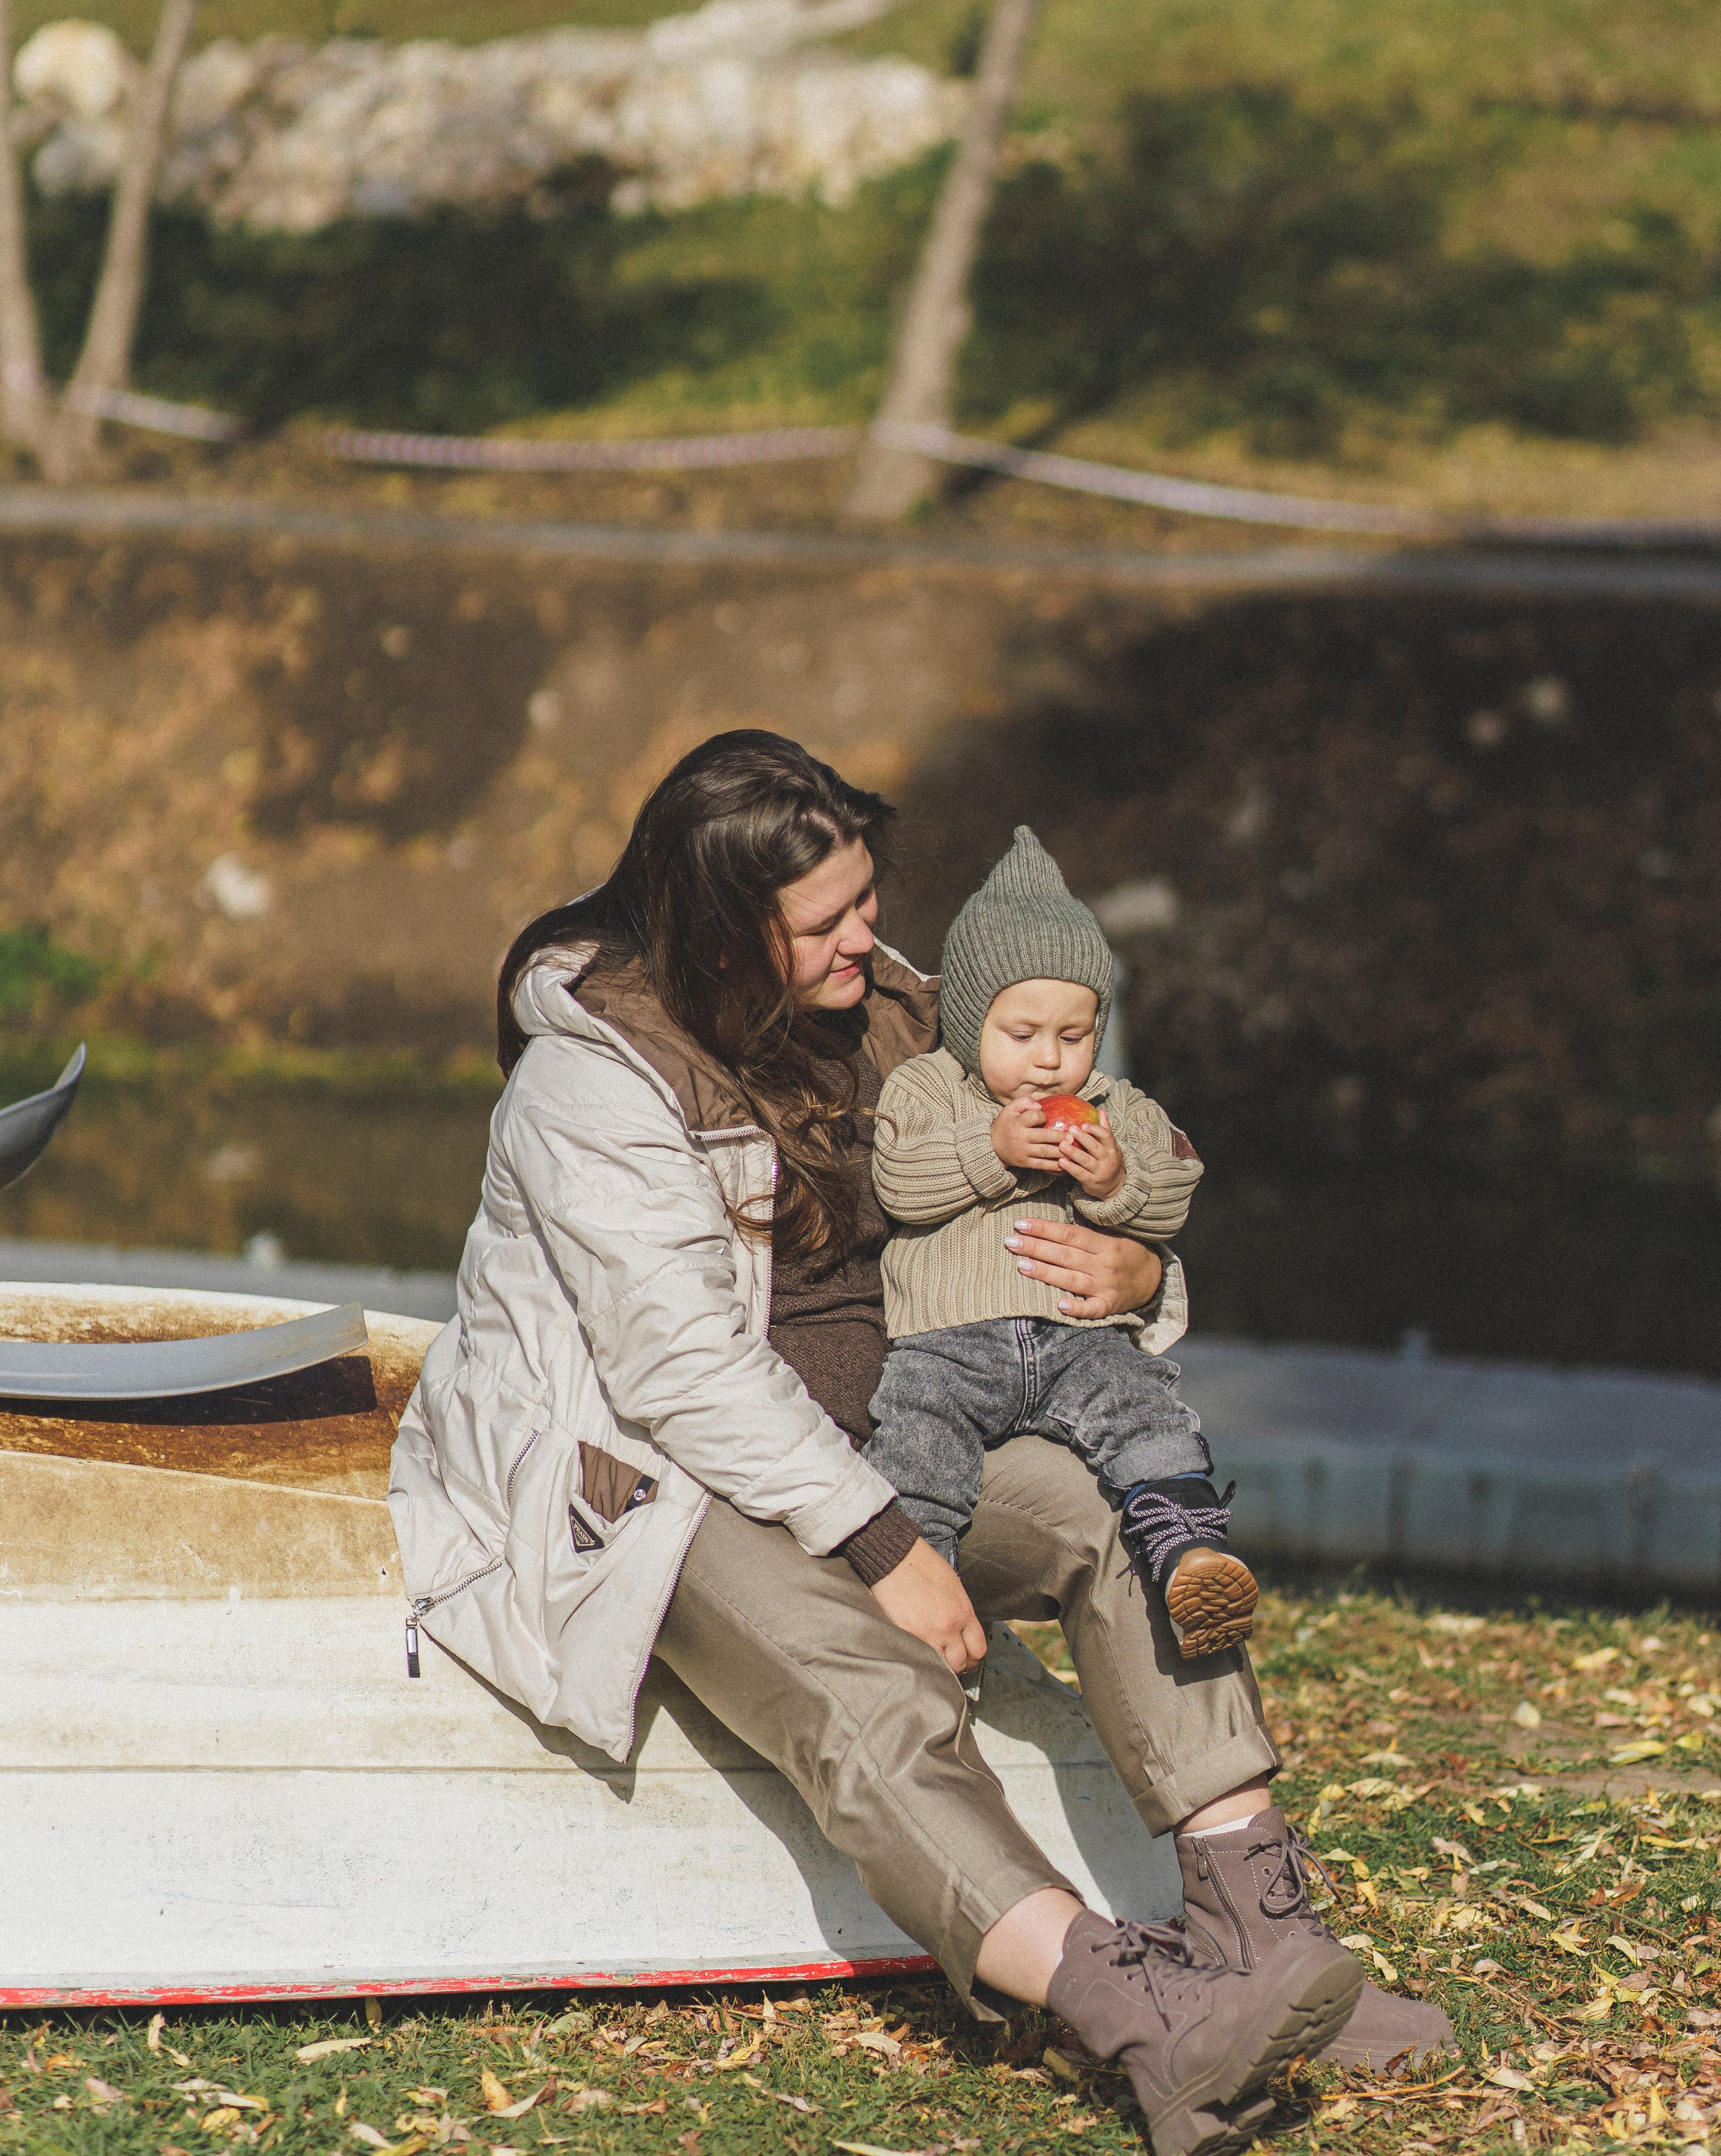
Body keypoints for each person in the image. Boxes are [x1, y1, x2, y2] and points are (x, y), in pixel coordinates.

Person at [389, 731, 1452, 2129]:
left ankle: (1267, 1931)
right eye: (823, 921)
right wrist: (886, 1541)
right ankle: (1140, 2015)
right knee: (863, 1686)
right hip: (644, 1470)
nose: (867, 939)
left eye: (868, 899)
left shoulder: (890, 1013)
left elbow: (1044, 1203)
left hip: (900, 1417)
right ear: (719, 934)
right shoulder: (592, 1080)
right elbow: (678, 1370)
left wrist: (1143, 1279)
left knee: (1106, 1515)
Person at [865, 824, 1258, 1662]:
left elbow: (1173, 1194)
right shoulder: (927, 1088)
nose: (1048, 1061)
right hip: (947, 1347)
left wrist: (1115, 1183)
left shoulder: (1119, 1106)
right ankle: (920, 1611)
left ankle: (1191, 1549)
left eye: (1072, 1037)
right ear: (972, 1022)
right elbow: (898, 1180)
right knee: (915, 1443)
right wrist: (990, 1150)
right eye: (1022, 1034)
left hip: (1081, 1342)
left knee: (1147, 1410)